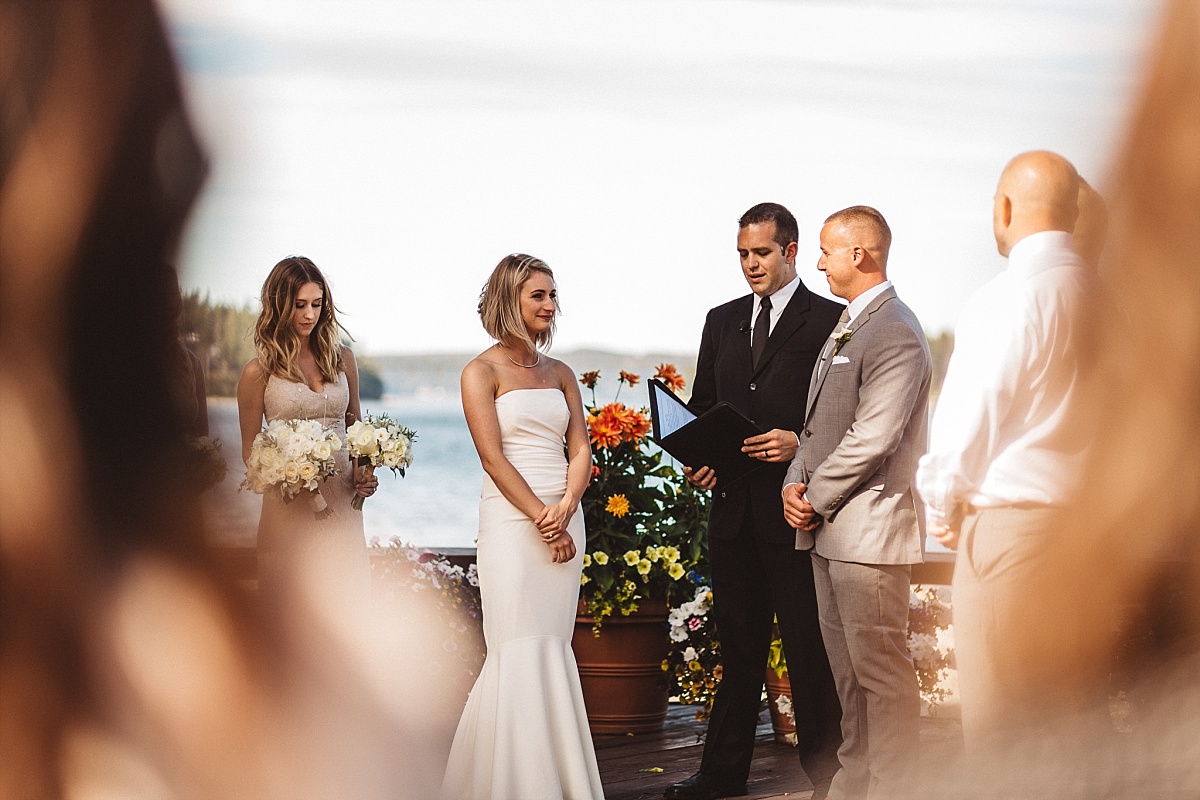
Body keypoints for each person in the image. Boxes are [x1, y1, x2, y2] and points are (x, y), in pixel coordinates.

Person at [914, 151, 1104, 750]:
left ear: (1004, 208)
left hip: (1013, 537)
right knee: (1070, 735)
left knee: (1003, 739)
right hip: (1098, 539)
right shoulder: (1112, 299)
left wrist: (944, 511)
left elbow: (966, 425)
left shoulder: (1010, 297)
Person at [665, 203, 844, 800]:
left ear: (791, 252)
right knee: (737, 649)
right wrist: (700, 461)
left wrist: (801, 441)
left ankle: (830, 777)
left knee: (807, 648)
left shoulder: (832, 321)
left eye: (760, 254)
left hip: (799, 511)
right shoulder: (720, 321)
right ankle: (720, 777)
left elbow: (844, 417)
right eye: (742, 254)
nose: (749, 265)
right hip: (733, 513)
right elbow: (704, 405)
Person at [782, 205, 930, 800]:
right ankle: (853, 783)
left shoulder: (895, 327)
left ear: (859, 255)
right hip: (829, 530)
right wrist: (793, 480)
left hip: (869, 534)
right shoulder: (849, 325)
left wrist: (813, 496)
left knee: (882, 677)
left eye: (825, 251)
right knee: (847, 676)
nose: (817, 262)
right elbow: (815, 426)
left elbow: (875, 434)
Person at [443, 254, 603, 800]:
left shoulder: (559, 372)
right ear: (510, 297)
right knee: (515, 645)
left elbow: (580, 446)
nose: (550, 305)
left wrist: (568, 505)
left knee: (554, 643)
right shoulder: (479, 372)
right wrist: (543, 518)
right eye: (538, 295)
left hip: (566, 513)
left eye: (553, 295)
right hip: (514, 523)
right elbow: (492, 458)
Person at [236, 256, 377, 603]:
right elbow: (251, 453)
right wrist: (295, 480)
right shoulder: (259, 372)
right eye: (299, 305)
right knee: (292, 616)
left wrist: (365, 470)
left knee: (347, 610)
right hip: (289, 511)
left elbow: (355, 427)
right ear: (279, 306)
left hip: (343, 502)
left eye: (316, 304)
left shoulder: (342, 358)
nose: (309, 315)